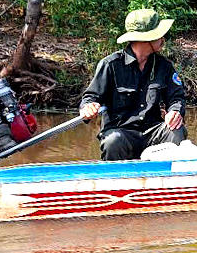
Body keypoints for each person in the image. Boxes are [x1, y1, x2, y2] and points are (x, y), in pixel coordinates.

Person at [79, 9, 187, 161]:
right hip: (121, 133)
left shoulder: (164, 66)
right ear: (145, 39)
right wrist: (88, 107)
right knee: (113, 141)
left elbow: (176, 97)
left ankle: (170, 181)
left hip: (153, 132)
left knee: (176, 130)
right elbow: (91, 97)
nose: (163, 39)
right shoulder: (110, 65)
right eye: (159, 35)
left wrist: (175, 111)